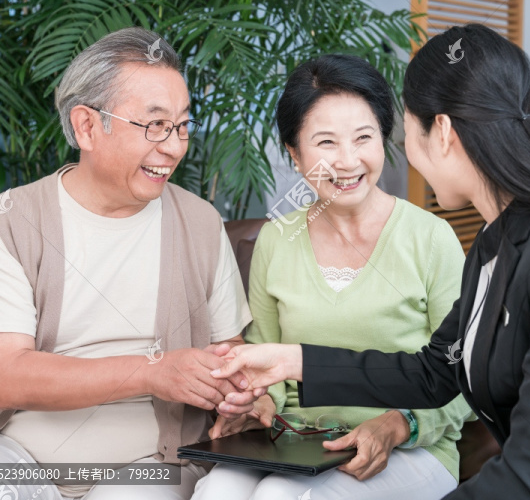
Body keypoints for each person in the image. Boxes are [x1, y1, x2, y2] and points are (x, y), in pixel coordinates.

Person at [213, 24, 530, 499]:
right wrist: (290, 360)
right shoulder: (496, 242)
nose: (401, 152)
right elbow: (433, 372)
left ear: (442, 132)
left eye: (402, 132)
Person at [0, 28, 257, 500]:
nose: (174, 147)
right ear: (87, 126)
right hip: (20, 453)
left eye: (181, 125)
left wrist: (238, 394)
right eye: (154, 125)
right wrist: (153, 370)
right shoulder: (8, 221)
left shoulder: (200, 223)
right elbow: (6, 377)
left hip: (152, 461)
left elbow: (229, 358)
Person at [191, 55, 474, 500]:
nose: (347, 161)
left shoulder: (431, 239)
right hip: (299, 446)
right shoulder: (275, 242)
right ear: (294, 153)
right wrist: (256, 404)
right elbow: (271, 369)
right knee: (216, 491)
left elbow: (467, 374)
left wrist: (400, 423)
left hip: (414, 450)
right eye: (325, 142)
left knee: (283, 498)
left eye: (364, 137)